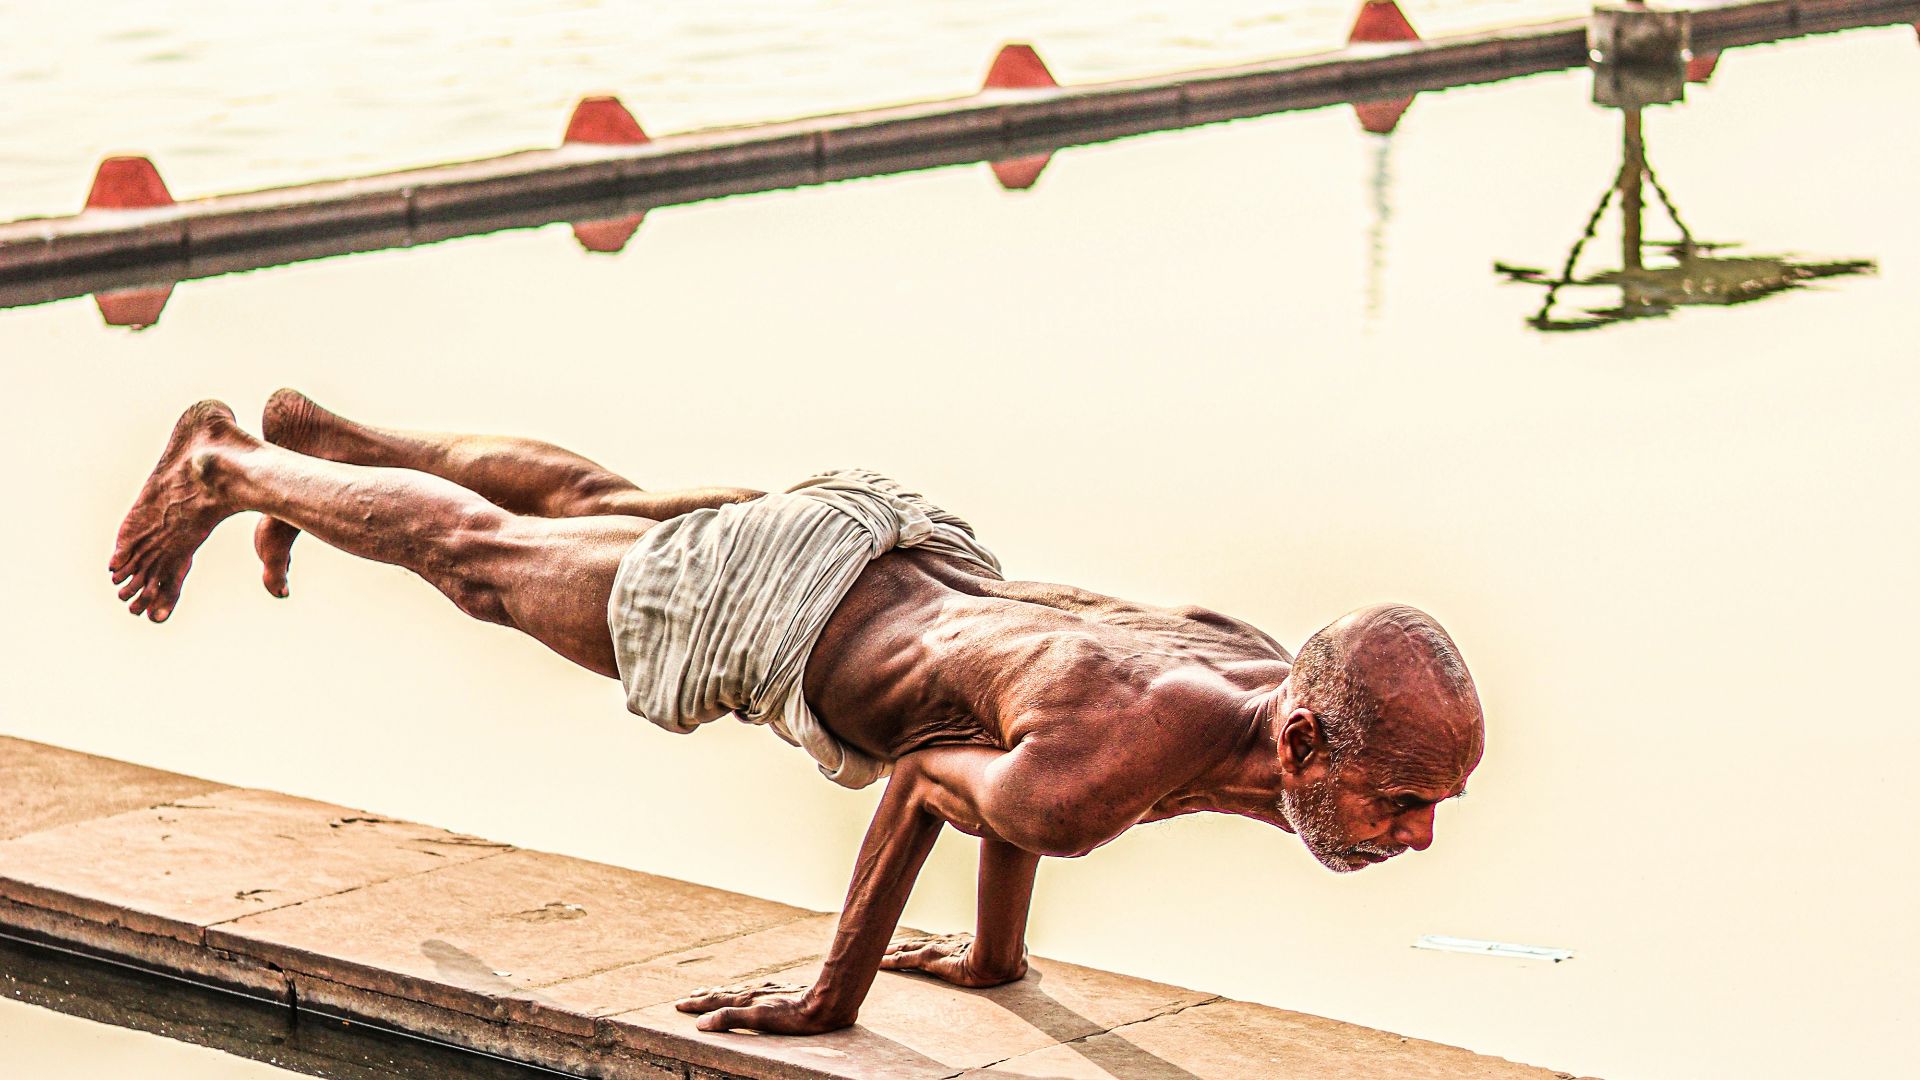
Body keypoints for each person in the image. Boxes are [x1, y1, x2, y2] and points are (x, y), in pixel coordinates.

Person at [110, 391, 1484, 1036]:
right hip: (789, 611)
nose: (1416, 836)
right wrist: (833, 997)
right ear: (1306, 741)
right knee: (483, 567)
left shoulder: (1248, 671)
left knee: (591, 513)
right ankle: (231, 462)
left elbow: (1039, 752)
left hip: (892, 540)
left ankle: (335, 445)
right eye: (1401, 801)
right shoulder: (1118, 768)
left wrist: (1000, 959)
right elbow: (938, 779)